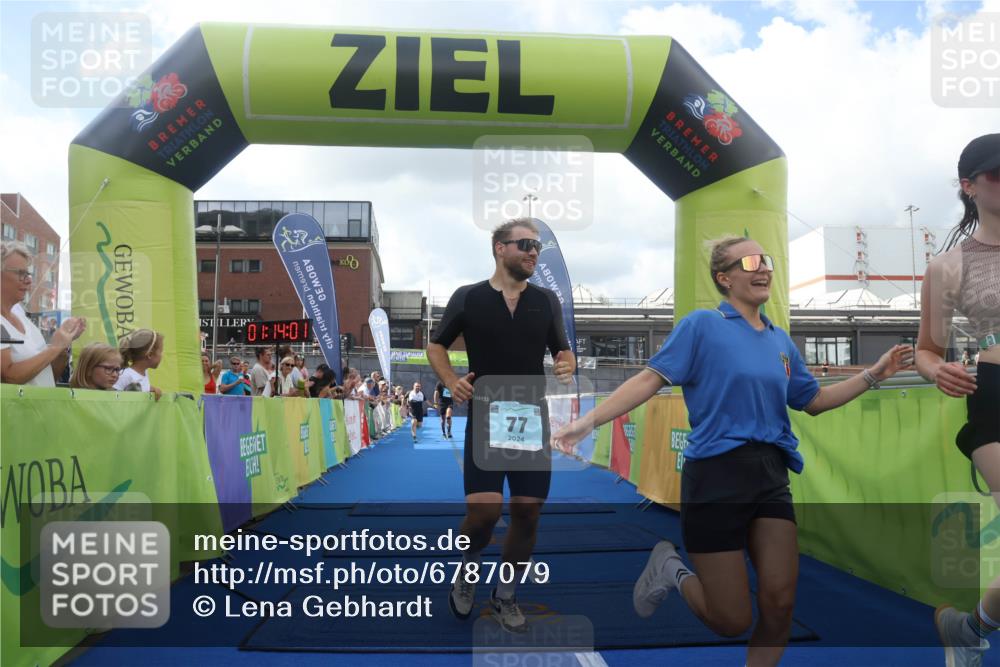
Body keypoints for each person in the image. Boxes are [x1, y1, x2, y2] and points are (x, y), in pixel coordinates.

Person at [552, 236, 911, 666]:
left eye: (768, 261)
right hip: (715, 477)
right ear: (724, 278)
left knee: (779, 604)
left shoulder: (780, 341)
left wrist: (875, 373)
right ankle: (671, 569)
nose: (764, 269)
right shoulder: (702, 325)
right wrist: (585, 422)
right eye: (751, 261)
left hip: (771, 475)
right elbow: (649, 380)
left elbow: (813, 401)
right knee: (731, 619)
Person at [427, 218, 575, 633]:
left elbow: (563, 349)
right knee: (484, 511)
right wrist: (451, 380)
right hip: (487, 411)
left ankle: (506, 594)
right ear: (499, 248)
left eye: (538, 246)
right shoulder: (468, 298)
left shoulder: (546, 301)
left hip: (531, 413)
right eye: (525, 244)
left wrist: (567, 363)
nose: (533, 252)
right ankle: (468, 570)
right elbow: (436, 344)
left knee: (528, 511)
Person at [918, 134, 1000, 667]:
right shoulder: (948, 267)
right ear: (968, 187)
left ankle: (970, 628)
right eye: (996, 174)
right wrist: (938, 368)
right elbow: (926, 348)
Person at [1, 241, 86, 386]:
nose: (28, 280)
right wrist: (55, 347)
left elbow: (45, 377)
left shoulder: (22, 318)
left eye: (28, 274)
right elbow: (9, 376)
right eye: (20, 273)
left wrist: (63, 345)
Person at [114, 328, 164, 400]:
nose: (162, 355)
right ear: (149, 355)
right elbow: (112, 398)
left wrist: (151, 389)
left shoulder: (144, 372)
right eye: (161, 352)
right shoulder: (125, 375)